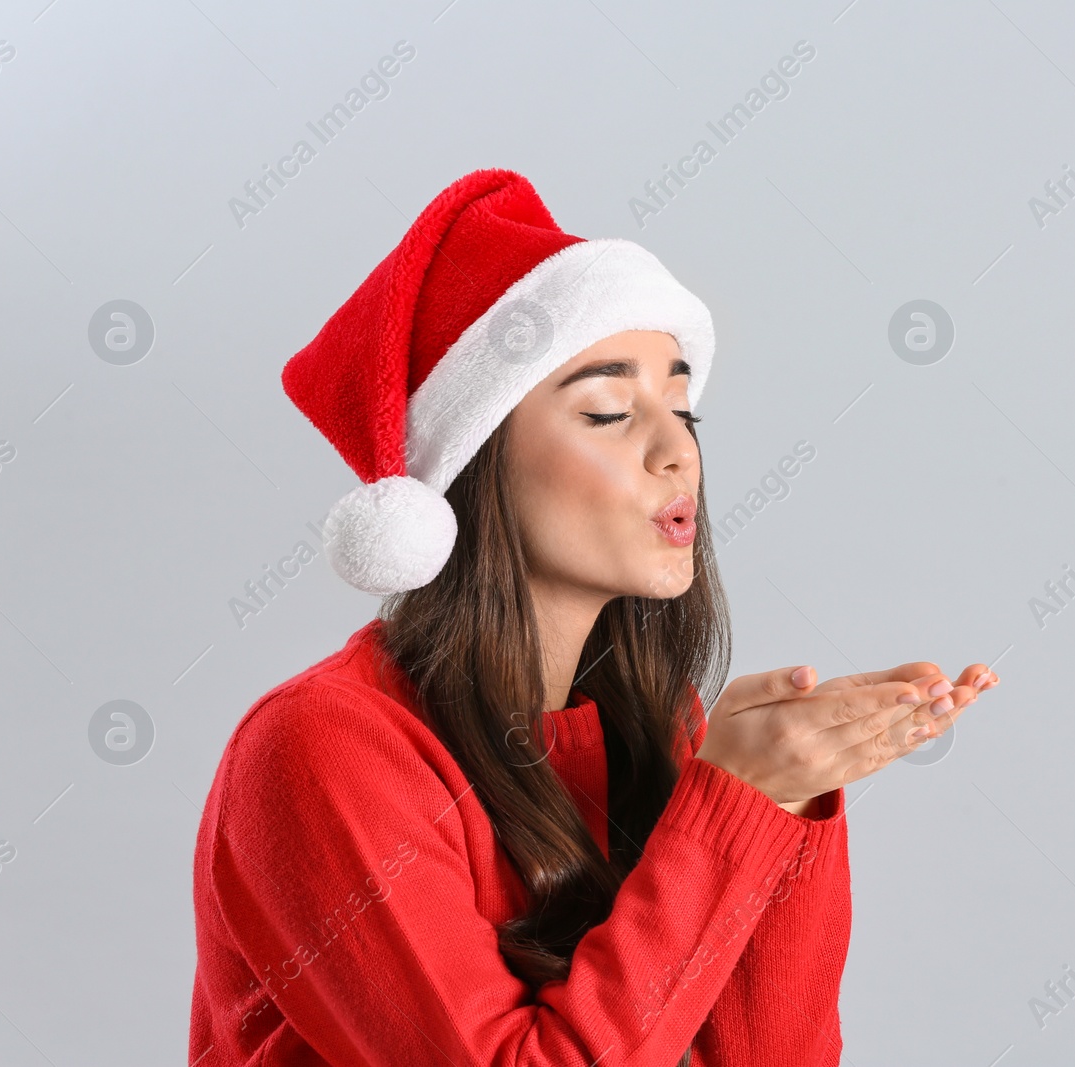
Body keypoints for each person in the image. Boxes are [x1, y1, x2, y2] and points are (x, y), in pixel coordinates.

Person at [186, 168, 999, 1067]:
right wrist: (733, 812)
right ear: (477, 462)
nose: (677, 449)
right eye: (609, 411)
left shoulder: (659, 728)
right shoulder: (319, 750)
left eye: (683, 406)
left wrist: (786, 800)